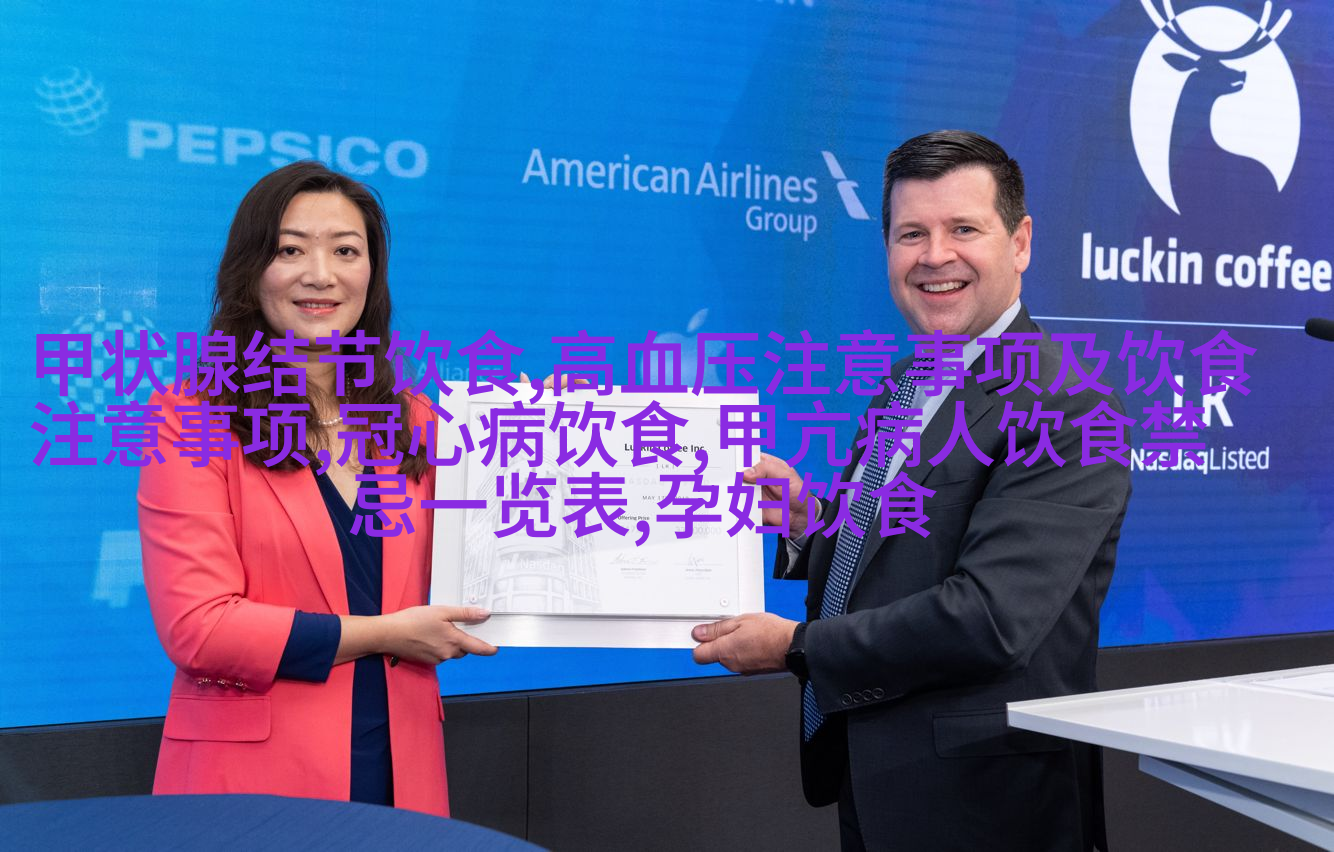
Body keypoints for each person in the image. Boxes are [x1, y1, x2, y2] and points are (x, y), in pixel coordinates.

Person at [692, 131, 1131, 851]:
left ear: (1020, 242)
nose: (934, 256)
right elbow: (900, 549)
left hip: (985, 805)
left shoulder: (1069, 405)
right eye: (911, 234)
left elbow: (987, 618)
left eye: (964, 229)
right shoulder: (907, 382)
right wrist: (810, 522)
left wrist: (798, 646)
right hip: (875, 777)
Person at [139, 161, 496, 816]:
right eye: (291, 250)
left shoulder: (416, 421)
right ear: (251, 269)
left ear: (372, 273)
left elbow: (497, 551)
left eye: (346, 251)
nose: (321, 275)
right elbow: (200, 628)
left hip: (400, 771)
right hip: (249, 788)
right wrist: (385, 633)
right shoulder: (194, 417)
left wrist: (551, 444)